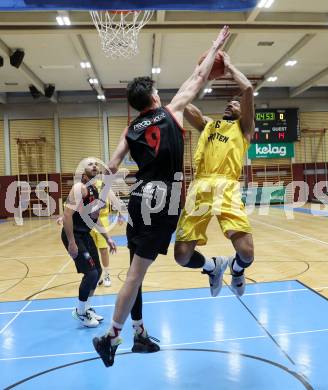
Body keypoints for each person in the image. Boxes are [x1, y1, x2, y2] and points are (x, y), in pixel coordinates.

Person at [92, 25, 231, 367]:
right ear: (153, 97)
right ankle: (112, 337)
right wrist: (215, 44)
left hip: (139, 199)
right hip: (164, 201)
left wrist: (108, 193)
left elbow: (109, 167)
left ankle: (139, 335)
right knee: (137, 275)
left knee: (135, 270)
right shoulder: (172, 110)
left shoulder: (130, 129)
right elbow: (199, 75)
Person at [174, 51, 255, 297]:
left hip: (227, 188)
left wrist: (229, 66)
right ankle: (213, 267)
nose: (231, 104)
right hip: (200, 188)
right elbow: (183, 102)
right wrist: (201, 73)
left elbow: (248, 89)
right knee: (181, 256)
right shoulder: (208, 124)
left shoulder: (244, 129)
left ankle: (237, 270)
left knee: (247, 252)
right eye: (229, 103)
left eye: (236, 103)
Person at [61, 158, 116, 327]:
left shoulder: (94, 190)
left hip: (85, 234)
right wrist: (71, 242)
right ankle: (80, 311)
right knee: (91, 273)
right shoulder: (79, 188)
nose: (94, 166)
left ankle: (87, 308)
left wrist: (108, 238)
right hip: (74, 236)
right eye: (90, 164)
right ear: (82, 171)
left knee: (98, 271)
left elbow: (94, 219)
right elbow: (67, 215)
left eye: (96, 164)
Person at [90, 178, 112, 287]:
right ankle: (96, 275)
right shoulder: (83, 186)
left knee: (103, 249)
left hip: (102, 219)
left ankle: (107, 274)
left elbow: (107, 203)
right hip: (88, 221)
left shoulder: (102, 185)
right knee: (91, 250)